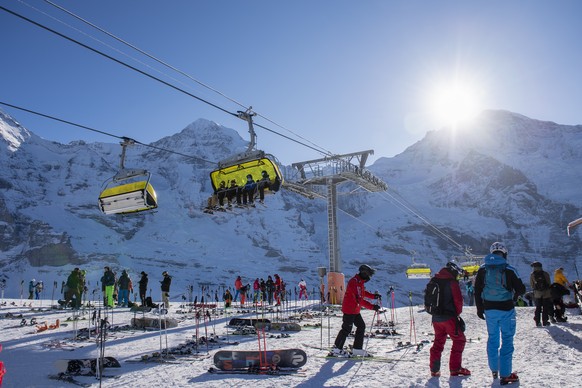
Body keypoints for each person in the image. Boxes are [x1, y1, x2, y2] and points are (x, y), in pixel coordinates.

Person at [474, 242, 525, 385]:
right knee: (507, 339)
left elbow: (477, 290)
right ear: (505, 254)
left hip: (489, 309)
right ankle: (506, 374)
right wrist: (514, 296)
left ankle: (494, 370)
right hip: (507, 309)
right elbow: (521, 289)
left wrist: (480, 308)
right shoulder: (510, 269)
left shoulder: (482, 269)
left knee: (493, 339)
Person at [429, 262, 470, 377]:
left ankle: (434, 370)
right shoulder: (452, 282)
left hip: (436, 318)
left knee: (438, 342)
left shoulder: (434, 280)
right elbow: (458, 300)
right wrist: (457, 314)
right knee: (459, 340)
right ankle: (455, 368)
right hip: (449, 317)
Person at [331, 264, 381, 357]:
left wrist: (373, 296)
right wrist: (372, 307)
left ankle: (357, 349)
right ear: (364, 273)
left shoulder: (359, 282)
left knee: (361, 326)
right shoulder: (354, 282)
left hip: (355, 310)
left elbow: (363, 293)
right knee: (346, 329)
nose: (369, 277)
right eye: (368, 275)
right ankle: (337, 349)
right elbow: (359, 299)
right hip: (350, 309)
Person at [529, 261, 552, 326]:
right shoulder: (545, 273)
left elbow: (532, 285)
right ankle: (545, 322)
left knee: (538, 307)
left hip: (537, 294)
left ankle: (538, 322)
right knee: (545, 307)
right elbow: (549, 283)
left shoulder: (532, 274)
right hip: (546, 293)